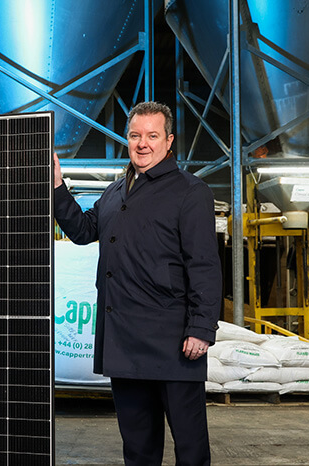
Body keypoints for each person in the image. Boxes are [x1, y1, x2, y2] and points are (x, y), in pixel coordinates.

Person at [53, 101, 221, 465]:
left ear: (169, 141)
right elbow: (83, 231)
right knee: (138, 447)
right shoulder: (115, 192)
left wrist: (202, 327)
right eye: (135, 135)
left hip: (173, 342)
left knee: (190, 446)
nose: (142, 143)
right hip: (124, 342)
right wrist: (56, 186)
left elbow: (204, 264)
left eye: (152, 135)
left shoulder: (190, 191)